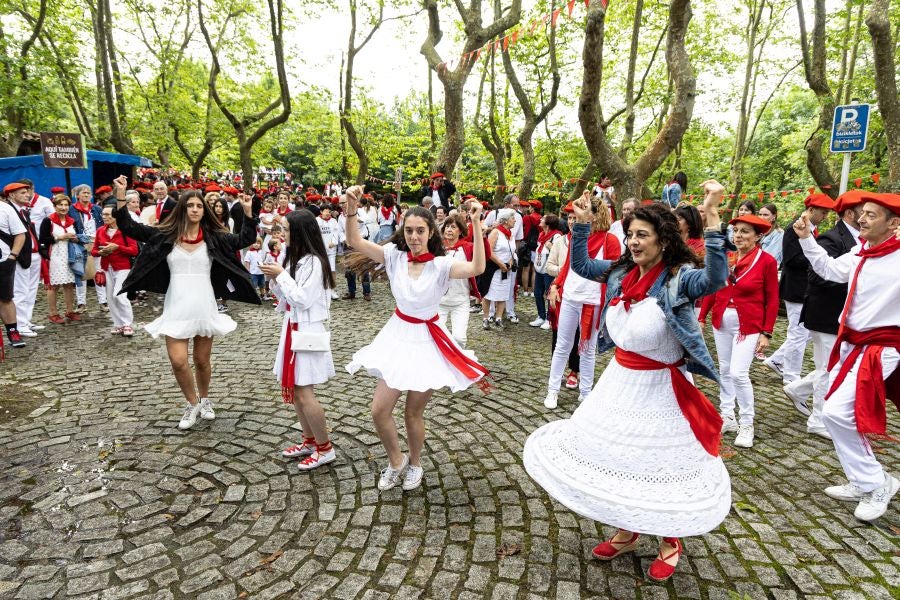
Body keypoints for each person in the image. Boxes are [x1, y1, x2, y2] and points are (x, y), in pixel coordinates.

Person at [523, 180, 731, 582]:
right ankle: (629, 530)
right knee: (619, 457)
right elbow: (583, 267)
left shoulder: (680, 278)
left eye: (643, 235)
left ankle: (670, 539)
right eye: (631, 234)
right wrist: (582, 226)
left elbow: (715, 279)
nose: (634, 242)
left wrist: (712, 216)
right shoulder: (622, 272)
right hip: (620, 382)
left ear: (663, 240)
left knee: (662, 465)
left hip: (663, 388)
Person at [343, 186, 487, 492]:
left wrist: (475, 222)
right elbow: (354, 241)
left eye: (420, 231)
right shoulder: (393, 257)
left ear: (431, 232)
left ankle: (416, 463)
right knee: (379, 410)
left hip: (428, 341)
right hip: (397, 337)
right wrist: (352, 208)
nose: (414, 236)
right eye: (408, 230)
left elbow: (478, 267)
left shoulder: (442, 265)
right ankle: (397, 461)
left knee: (412, 412)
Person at [111, 176, 260, 430]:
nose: (194, 209)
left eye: (199, 206)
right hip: (176, 305)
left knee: (202, 360)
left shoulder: (214, 237)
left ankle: (205, 400)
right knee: (178, 361)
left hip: (204, 304)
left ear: (204, 210)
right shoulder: (165, 235)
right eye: (190, 205)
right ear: (182, 209)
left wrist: (247, 212)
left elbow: (243, 240)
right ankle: (191, 404)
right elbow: (129, 227)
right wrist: (121, 195)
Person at [793, 191, 900, 522]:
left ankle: (878, 483)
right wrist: (807, 238)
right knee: (833, 414)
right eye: (862, 213)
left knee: (837, 412)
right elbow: (828, 269)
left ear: (893, 223)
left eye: (871, 215)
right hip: (851, 345)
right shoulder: (859, 251)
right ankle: (864, 479)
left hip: (881, 348)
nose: (862, 218)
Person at [262, 209, 337, 471]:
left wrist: (280, 275)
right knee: (296, 391)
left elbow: (302, 299)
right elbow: (286, 299)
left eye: (286, 229)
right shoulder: (297, 258)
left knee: (305, 393)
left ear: (300, 232)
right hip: (293, 327)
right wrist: (275, 278)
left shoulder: (315, 262)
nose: (282, 234)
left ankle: (325, 448)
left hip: (306, 331)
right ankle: (309, 440)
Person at [786, 191, 863, 438]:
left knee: (836, 365)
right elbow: (817, 275)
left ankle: (798, 389)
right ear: (850, 214)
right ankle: (818, 419)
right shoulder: (832, 237)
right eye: (864, 211)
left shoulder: (863, 240)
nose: (866, 217)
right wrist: (854, 281)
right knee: (828, 369)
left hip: (844, 317)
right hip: (826, 315)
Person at [699, 214, 779, 449]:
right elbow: (713, 288)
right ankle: (727, 416)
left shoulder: (766, 261)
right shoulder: (727, 257)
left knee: (738, 373)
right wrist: (702, 316)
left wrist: (766, 332)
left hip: (749, 325)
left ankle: (747, 423)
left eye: (745, 231)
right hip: (722, 322)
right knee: (724, 370)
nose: (738, 236)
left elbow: (773, 299)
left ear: (757, 236)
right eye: (736, 231)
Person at [542, 192, 621, 408]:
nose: (576, 217)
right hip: (570, 297)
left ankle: (586, 392)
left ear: (595, 215)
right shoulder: (577, 235)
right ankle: (552, 390)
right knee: (562, 345)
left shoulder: (610, 240)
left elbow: (615, 275)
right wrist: (556, 285)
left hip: (593, 302)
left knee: (587, 348)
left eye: (583, 212)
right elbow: (569, 266)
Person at [765, 193, 834, 383]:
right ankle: (791, 376)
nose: (825, 216)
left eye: (827, 213)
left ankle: (777, 360)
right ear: (811, 210)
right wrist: (818, 258)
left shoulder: (812, 230)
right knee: (798, 333)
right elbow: (791, 259)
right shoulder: (793, 229)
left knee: (806, 332)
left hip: (806, 289)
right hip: (795, 289)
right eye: (823, 212)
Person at [5, 181, 45, 339]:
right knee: (20, 291)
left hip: (32, 254)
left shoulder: (23, 211)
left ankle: (26, 320)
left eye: (27, 192)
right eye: (22, 193)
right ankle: (20, 325)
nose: (27, 195)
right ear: (11, 195)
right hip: (20, 255)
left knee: (31, 290)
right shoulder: (9, 210)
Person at [92, 206, 139, 336]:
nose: (104, 217)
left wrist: (117, 247)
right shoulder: (100, 230)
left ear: (116, 216)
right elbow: (94, 250)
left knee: (119, 295)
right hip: (106, 267)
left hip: (123, 267)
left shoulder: (125, 230)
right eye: (103, 214)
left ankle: (127, 324)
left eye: (108, 214)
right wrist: (100, 252)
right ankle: (118, 324)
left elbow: (134, 250)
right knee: (110, 298)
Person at [38, 195, 79, 325]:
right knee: (53, 286)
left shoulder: (72, 221)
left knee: (69, 284)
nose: (63, 207)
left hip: (69, 255)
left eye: (66, 205)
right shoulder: (48, 221)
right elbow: (42, 239)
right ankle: (53, 313)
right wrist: (59, 237)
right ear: (55, 206)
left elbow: (78, 235)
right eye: (60, 205)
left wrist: (76, 239)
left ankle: (69, 311)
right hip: (54, 255)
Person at [69, 184, 106, 313]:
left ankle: (103, 301)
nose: (86, 195)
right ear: (77, 195)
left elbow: (103, 225)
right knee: (81, 273)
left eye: (88, 193)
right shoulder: (71, 209)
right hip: (79, 243)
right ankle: (81, 303)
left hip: (96, 243)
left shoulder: (97, 209)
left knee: (99, 272)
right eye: (84, 192)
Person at [438, 214, 473, 348]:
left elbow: (484, 256)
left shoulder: (468, 247)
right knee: (435, 337)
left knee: (459, 338)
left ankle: (457, 359)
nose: (449, 229)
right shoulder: (437, 248)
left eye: (453, 227)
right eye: (447, 226)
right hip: (438, 301)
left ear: (460, 231)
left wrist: (483, 237)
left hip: (460, 301)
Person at [0, 183, 28, 351]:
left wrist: (12, 256)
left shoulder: (5, 209)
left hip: (3, 260)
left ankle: (13, 332)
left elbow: (20, 234)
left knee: (5, 298)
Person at [480, 209, 517, 330]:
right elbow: (489, 251)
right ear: (505, 220)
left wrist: (511, 261)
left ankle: (498, 318)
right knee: (488, 293)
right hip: (494, 268)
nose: (515, 220)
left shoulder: (510, 234)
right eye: (513, 218)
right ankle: (486, 318)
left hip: (506, 269)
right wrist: (501, 264)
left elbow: (512, 250)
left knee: (503, 294)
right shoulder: (496, 232)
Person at [530, 214, 563, 328]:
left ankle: (549, 319)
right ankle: (541, 316)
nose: (540, 219)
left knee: (549, 295)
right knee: (537, 293)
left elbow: (559, 252)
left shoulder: (556, 236)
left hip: (549, 272)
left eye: (543, 219)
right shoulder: (541, 235)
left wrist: (550, 246)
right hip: (539, 270)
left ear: (548, 223)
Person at [317, 204, 341, 300]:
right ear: (321, 212)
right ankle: (322, 290)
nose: (328, 213)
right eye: (326, 211)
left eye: (329, 211)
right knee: (322, 271)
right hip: (321, 251)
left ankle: (332, 290)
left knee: (332, 270)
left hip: (331, 250)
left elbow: (336, 232)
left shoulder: (333, 221)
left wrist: (334, 242)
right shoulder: (317, 220)